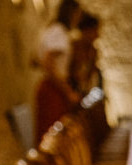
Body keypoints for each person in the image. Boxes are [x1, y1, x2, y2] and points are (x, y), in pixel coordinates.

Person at [35, 0, 82, 142]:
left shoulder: (54, 30)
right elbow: (48, 64)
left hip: (54, 87)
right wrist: (67, 91)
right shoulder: (58, 32)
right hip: (53, 88)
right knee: (54, 138)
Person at [70, 13, 102, 97]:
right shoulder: (74, 47)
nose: (97, 35)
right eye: (94, 31)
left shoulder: (93, 50)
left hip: (83, 93)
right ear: (86, 31)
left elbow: (90, 72)